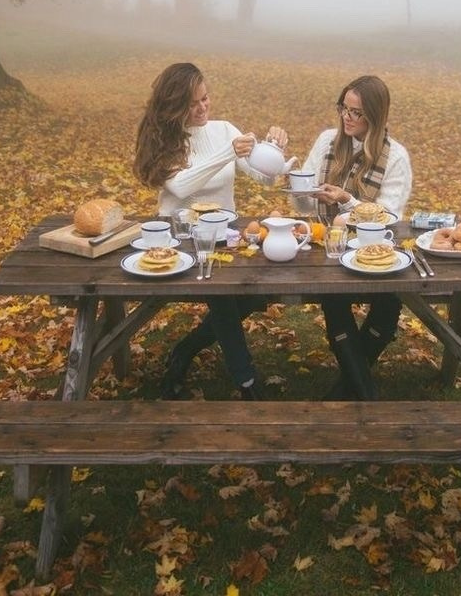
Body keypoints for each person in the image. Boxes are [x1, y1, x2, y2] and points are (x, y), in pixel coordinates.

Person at [133, 61, 288, 400]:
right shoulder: (167, 140)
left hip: (225, 236)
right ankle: (247, 383)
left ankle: (185, 350)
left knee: (253, 294)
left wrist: (274, 150)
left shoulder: (223, 130)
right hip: (183, 239)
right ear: (174, 105)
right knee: (222, 296)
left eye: (205, 99)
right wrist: (226, 154)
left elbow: (264, 177)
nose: (202, 108)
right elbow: (181, 187)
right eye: (192, 103)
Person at [290, 74, 412, 400]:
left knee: (389, 305)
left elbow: (391, 217)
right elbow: (301, 203)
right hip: (327, 248)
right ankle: (367, 396)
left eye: (356, 112)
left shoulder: (395, 156)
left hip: (376, 252)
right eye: (344, 108)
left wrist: (348, 201)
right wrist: (302, 189)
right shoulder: (327, 141)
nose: (347, 117)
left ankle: (344, 393)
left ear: (375, 115)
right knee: (334, 296)